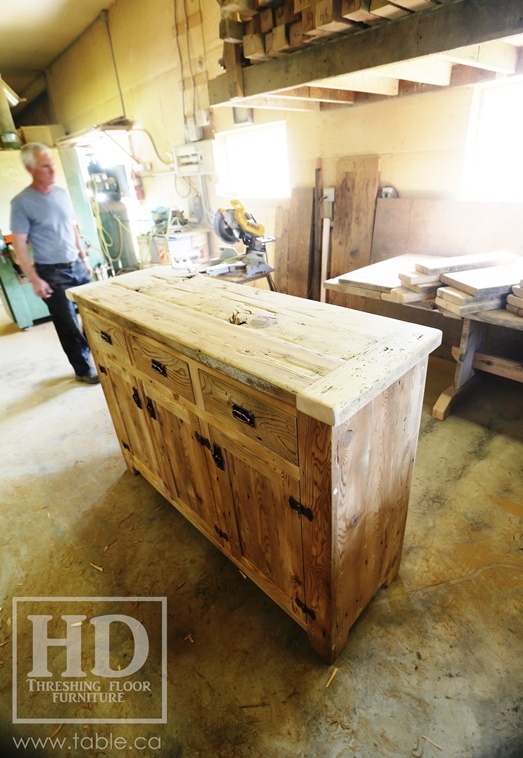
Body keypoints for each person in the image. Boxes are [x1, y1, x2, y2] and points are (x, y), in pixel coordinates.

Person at [10, 142, 100, 384]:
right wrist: (35, 279)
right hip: (51, 272)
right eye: (45, 166)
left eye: (52, 164)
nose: (52, 170)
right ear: (30, 169)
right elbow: (19, 245)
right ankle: (83, 368)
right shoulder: (22, 203)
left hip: (77, 266)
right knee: (68, 324)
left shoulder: (61, 194)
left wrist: (83, 257)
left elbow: (72, 228)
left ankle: (99, 357)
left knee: (94, 316)